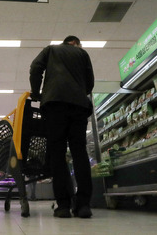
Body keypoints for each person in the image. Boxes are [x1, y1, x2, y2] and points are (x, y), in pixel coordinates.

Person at [29, 35, 94, 219]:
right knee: (79, 153)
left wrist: (36, 93)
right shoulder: (82, 54)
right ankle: (83, 206)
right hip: (79, 106)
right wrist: (80, 90)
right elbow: (90, 83)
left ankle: (63, 206)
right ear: (76, 43)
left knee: (57, 154)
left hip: (54, 104)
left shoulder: (51, 49)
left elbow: (35, 68)